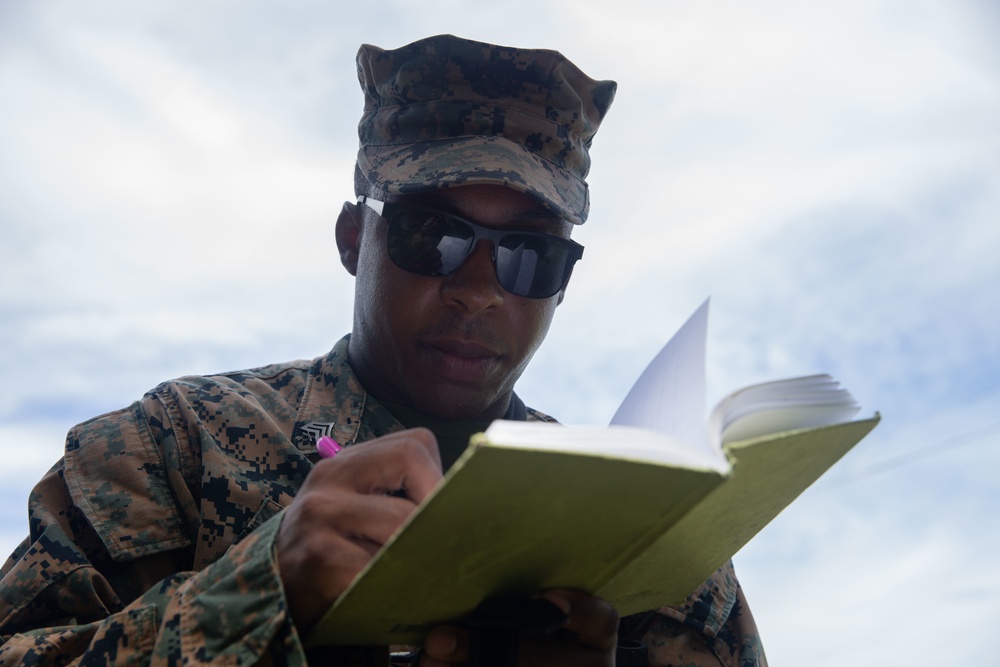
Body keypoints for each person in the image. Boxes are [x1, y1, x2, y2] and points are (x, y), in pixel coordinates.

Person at [0, 35, 766, 666]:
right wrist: (256, 596)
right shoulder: (171, 450)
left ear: (564, 283)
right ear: (351, 238)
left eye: (529, 255)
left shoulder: (656, 541)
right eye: (433, 235)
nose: (478, 290)